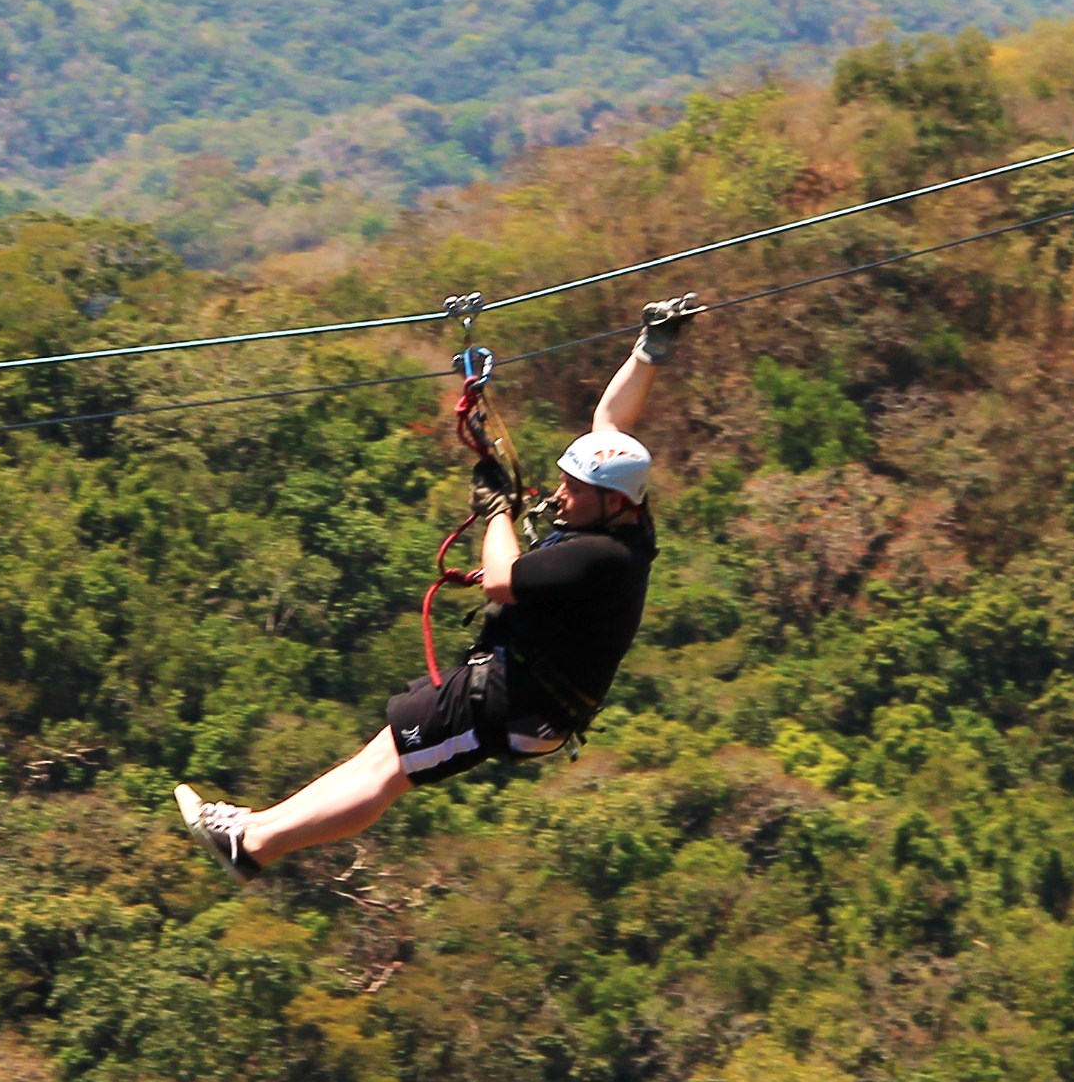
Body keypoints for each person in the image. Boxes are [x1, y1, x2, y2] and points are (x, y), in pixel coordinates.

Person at [174, 296, 701, 877]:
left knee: (389, 770)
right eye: (565, 482)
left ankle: (256, 845)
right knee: (384, 752)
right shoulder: (625, 516)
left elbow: (500, 581)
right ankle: (250, 829)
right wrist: (648, 352)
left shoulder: (603, 556)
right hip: (513, 685)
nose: (560, 495)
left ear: (614, 502)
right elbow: (610, 424)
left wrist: (497, 512)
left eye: (574, 490)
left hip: (518, 702)